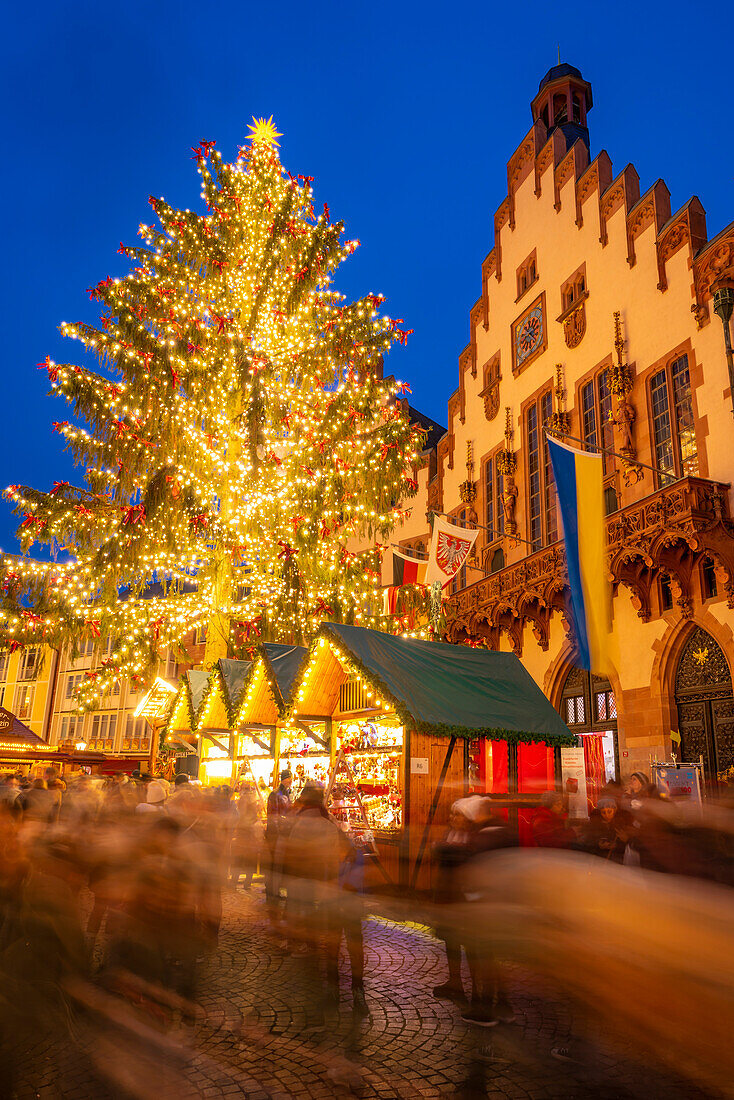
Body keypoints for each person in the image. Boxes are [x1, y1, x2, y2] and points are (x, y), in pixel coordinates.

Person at [264, 770, 292, 920]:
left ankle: (275, 891)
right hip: (276, 835)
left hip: (281, 833)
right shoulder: (276, 794)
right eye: (289, 778)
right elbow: (273, 816)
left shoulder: (286, 793)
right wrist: (278, 830)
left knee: (278, 865)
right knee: (273, 864)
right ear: (285, 779)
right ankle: (271, 892)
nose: (291, 780)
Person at [582, 797, 625, 862]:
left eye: (609, 811)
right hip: (599, 859)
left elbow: (625, 843)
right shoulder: (594, 825)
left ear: (614, 811)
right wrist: (598, 844)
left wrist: (617, 845)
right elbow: (587, 842)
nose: (607, 815)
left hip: (616, 860)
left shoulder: (620, 825)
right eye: (603, 812)